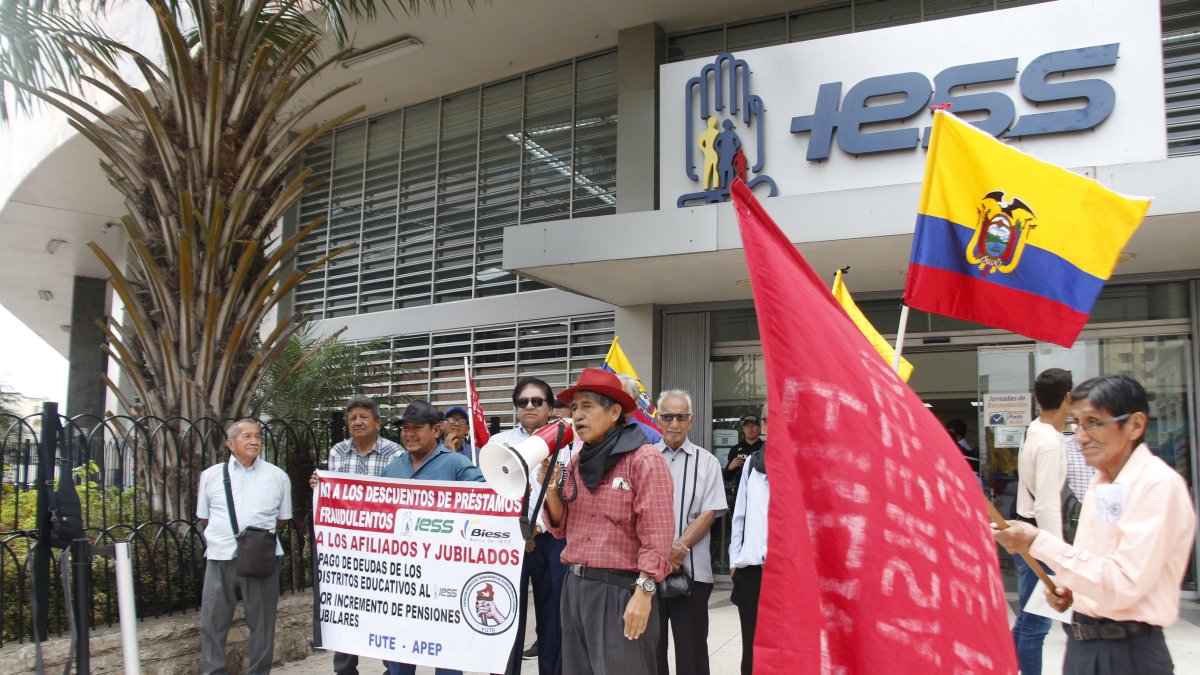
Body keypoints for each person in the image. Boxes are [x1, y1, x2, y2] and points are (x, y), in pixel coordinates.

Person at [994, 375, 1196, 675]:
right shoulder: (1101, 483)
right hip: (1085, 644)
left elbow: (1123, 584)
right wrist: (1072, 590)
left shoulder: (1157, 485)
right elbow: (1101, 562)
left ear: (1136, 425)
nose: (1081, 435)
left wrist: (1039, 542)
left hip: (1127, 651)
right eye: (1075, 423)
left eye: (1094, 422)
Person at [541, 368, 674, 674]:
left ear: (614, 411)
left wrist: (644, 593)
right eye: (574, 408)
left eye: (587, 406)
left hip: (620, 591)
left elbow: (658, 534)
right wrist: (551, 489)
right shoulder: (577, 461)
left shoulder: (644, 459)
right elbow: (561, 527)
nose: (577, 415)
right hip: (575, 587)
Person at [381, 401, 484, 675]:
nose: (409, 433)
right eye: (405, 428)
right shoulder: (393, 469)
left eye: (416, 427)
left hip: (445, 582)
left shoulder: (457, 464)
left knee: (448, 657)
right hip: (403, 580)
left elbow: (486, 500)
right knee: (399, 657)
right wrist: (326, 489)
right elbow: (373, 508)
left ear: (436, 430)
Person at [309, 395, 403, 675]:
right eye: (352, 418)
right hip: (346, 547)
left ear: (378, 422)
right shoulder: (338, 451)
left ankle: (391, 666)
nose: (357, 422)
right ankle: (345, 667)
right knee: (345, 606)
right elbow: (332, 495)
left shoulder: (395, 453)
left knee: (385, 609)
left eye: (363, 417)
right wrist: (319, 485)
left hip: (381, 544)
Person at [197, 419, 292, 675]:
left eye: (258, 436)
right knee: (212, 623)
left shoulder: (277, 476)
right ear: (230, 443)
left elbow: (282, 519)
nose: (254, 441)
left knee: (261, 625)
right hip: (220, 557)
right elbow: (205, 517)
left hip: (262, 559)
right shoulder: (210, 476)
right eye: (247, 436)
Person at [494, 377, 569, 675]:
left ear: (549, 407)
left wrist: (539, 525)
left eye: (537, 401)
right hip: (508, 542)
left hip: (551, 540)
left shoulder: (566, 443)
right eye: (522, 402)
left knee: (553, 620)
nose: (529, 406)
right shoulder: (499, 443)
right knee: (507, 616)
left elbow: (565, 500)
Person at [653, 389, 727, 675]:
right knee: (651, 651)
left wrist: (677, 549)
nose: (674, 423)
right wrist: (662, 552)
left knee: (692, 652)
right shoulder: (644, 458)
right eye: (668, 416)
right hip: (649, 573)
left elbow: (709, 513)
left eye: (681, 416)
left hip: (693, 574)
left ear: (691, 420)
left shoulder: (707, 461)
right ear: (658, 419)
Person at [1011, 367, 1072, 675]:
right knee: (1036, 624)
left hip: (1028, 531)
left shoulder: (1034, 429)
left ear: (1036, 399)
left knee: (1026, 619)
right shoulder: (1048, 442)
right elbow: (1048, 504)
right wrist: (1056, 553)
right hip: (1039, 539)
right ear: (1069, 398)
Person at [728, 403, 768, 675]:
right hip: (752, 571)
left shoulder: (804, 462)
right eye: (769, 418)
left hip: (790, 573)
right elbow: (739, 514)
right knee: (751, 648)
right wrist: (735, 559)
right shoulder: (754, 463)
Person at [723, 414, 764, 499]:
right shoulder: (735, 449)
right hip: (740, 494)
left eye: (753, 426)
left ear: (759, 429)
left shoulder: (765, 447)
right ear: (743, 429)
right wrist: (730, 467)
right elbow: (727, 478)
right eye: (747, 426)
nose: (750, 429)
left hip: (762, 494)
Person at [617, 373, 663, 445]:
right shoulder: (598, 434)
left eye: (621, 395)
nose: (615, 400)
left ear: (635, 399)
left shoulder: (652, 437)